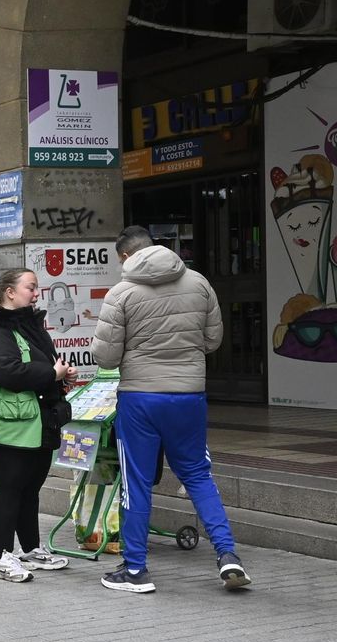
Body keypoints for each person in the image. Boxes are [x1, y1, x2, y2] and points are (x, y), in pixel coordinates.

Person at [94, 225, 247, 594]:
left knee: (136, 482)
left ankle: (135, 570)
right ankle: (227, 554)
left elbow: (106, 356)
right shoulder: (199, 283)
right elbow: (212, 340)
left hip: (140, 399)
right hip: (189, 395)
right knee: (198, 475)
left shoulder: (121, 293)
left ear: (127, 256)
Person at [0, 268, 75, 584]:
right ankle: (2, 557)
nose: (36, 293)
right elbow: (8, 372)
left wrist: (60, 376)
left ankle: (30, 550)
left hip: (37, 420)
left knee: (30, 490)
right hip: (7, 425)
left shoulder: (26, 325)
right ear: (10, 292)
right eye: (31, 287)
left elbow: (40, 364)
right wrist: (50, 374)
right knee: (9, 490)